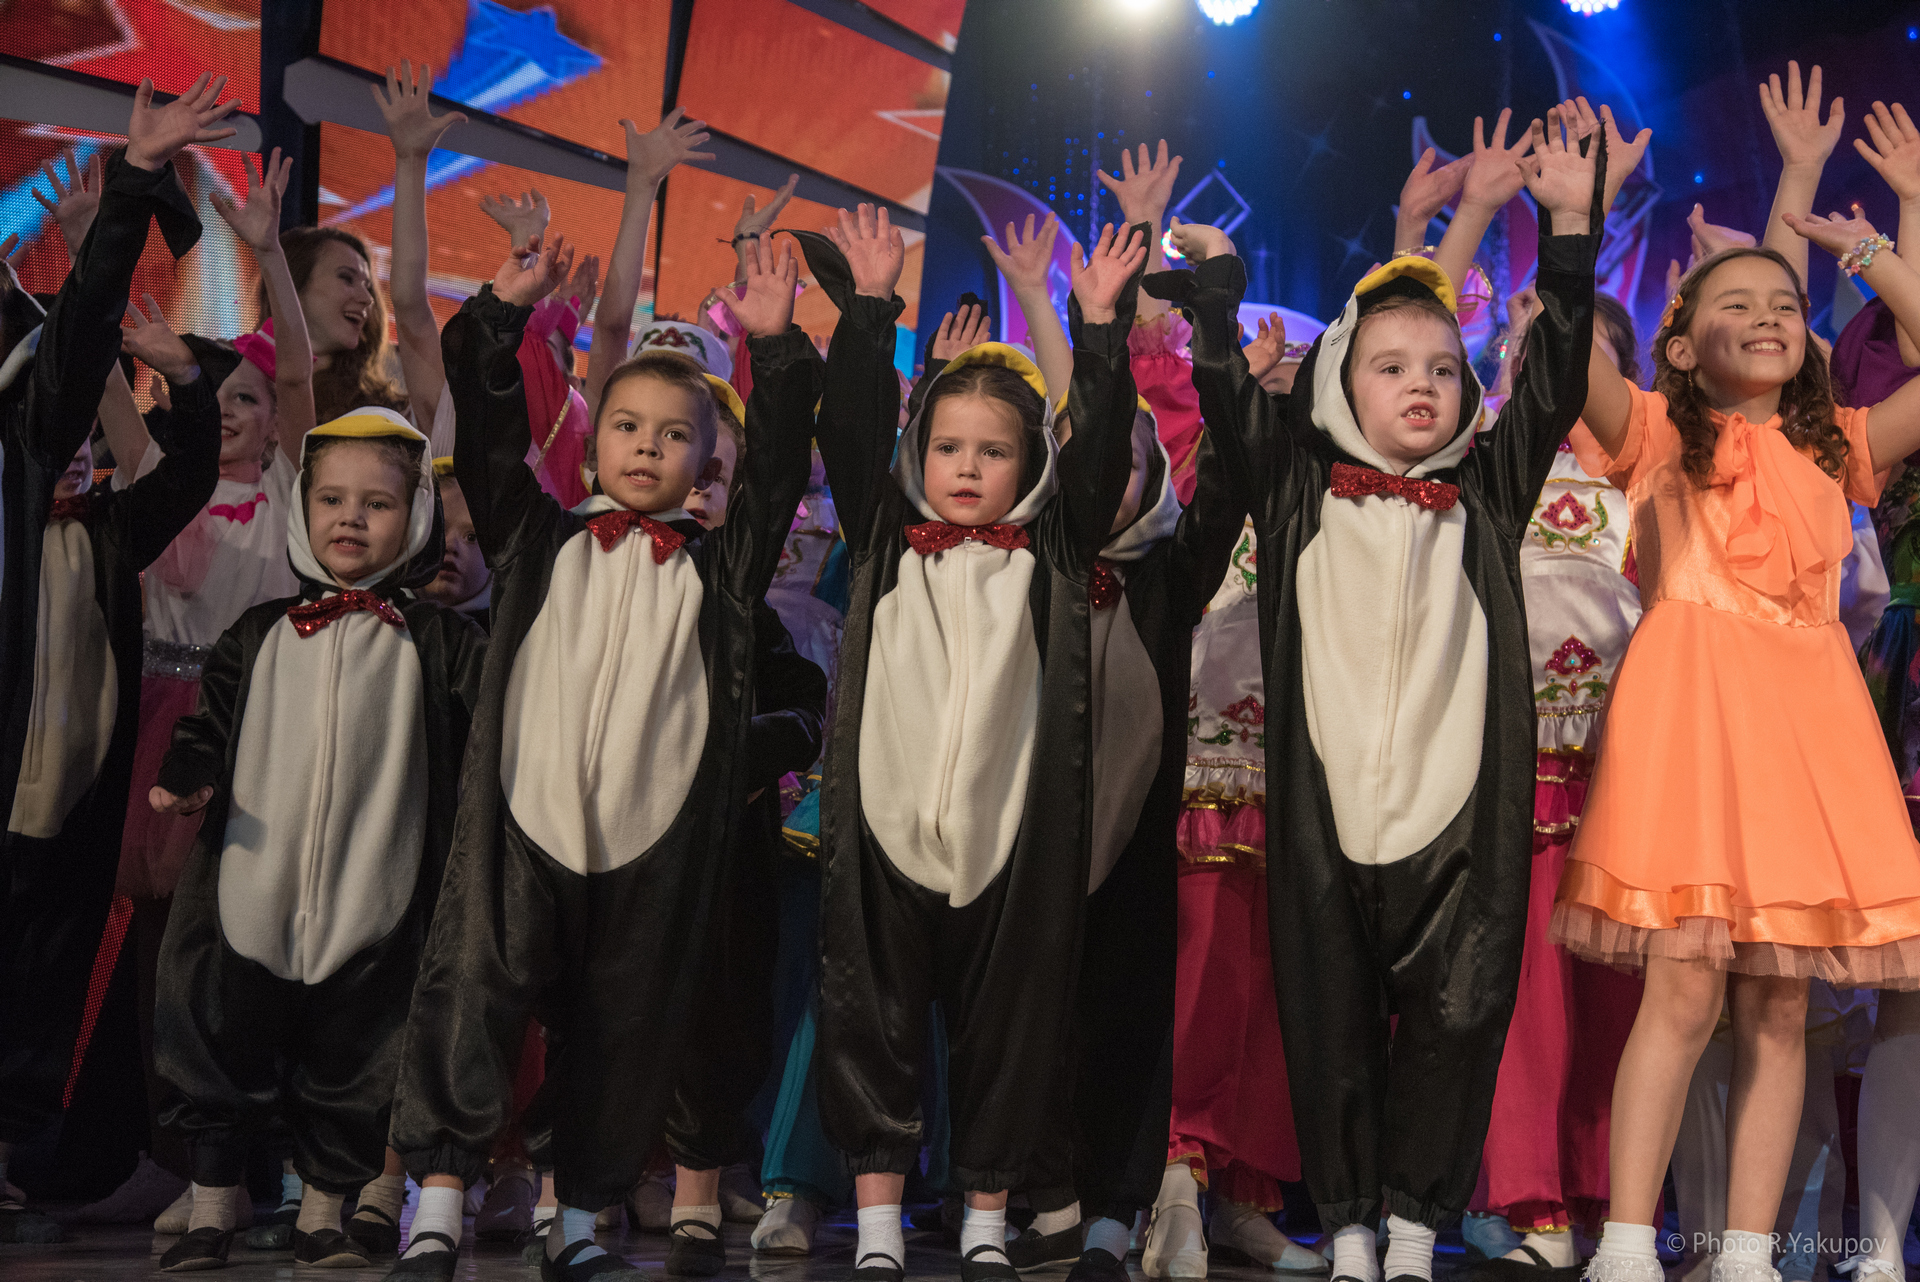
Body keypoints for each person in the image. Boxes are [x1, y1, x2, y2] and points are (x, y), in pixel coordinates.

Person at [1149, 100, 1613, 1282]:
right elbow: (1227, 394)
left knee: (1459, 1014)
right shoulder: (1296, 493)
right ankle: (1351, 1224)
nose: (1424, 386)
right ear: (1338, 384)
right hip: (1325, 816)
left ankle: (1413, 1225)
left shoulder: (1489, 492)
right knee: (1329, 1021)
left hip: (1460, 816)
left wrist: (1569, 235)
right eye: (1392, 366)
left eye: (1445, 370)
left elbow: (1553, 379)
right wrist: (1219, 288)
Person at [385, 215, 820, 1282]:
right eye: (626, 426)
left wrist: (775, 348)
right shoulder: (538, 539)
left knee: (623, 1026)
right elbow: (489, 431)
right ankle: (435, 1205)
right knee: (475, 995)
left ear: (705, 463)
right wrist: (501, 310)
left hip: (650, 836)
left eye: (674, 436)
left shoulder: (722, 574)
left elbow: (774, 479)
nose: (647, 448)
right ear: (591, 441)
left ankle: (579, 1217)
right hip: (523, 823)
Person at [1557, 116, 1920, 1282]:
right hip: (1695, 720)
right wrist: (1574, 221)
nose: (1768, 316)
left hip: (1811, 733)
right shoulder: (1656, 429)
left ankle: (1749, 1253)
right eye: (1736, 303)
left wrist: (1875, 246)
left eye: (1785, 304)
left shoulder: (1840, 445)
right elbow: (1565, 351)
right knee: (1681, 987)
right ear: (1681, 339)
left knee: (1778, 1004)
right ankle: (1628, 1240)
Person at [799, 201, 1146, 1282]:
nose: (965, 466)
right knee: (873, 1020)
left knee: (1008, 1027)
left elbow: (1101, 452)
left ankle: (988, 1219)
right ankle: (878, 1229)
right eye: (947, 446)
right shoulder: (883, 546)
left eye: (993, 452)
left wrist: (1099, 330)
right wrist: (870, 307)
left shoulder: (1053, 557)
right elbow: (851, 428)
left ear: (1029, 463)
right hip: (886, 826)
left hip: (1011, 837)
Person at [149, 407, 485, 1273]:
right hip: (250, 879)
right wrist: (189, 775)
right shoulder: (259, 630)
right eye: (331, 499)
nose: (350, 518)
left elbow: (492, 730)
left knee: (357, 1053)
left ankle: (325, 1212)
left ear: (414, 517)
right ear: (303, 508)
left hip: (377, 887)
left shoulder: (439, 640)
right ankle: (213, 1205)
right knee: (218, 1030)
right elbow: (208, 723)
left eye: (377, 504)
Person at [0, 71, 236, 1246]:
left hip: (68, 797)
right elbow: (68, 352)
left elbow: (183, 471)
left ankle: (12, 1151)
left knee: (41, 967)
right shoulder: (17, 488)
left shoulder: (97, 530)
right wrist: (134, 185)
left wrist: (185, 377)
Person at [1014, 386, 1247, 1282]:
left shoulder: (1169, 572)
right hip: (1034, 835)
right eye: (1087, 460)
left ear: (1155, 479)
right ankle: (1052, 1202)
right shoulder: (1027, 565)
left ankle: (1116, 1211)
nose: (1105, 478)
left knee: (1125, 1020)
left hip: (1137, 840)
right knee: (1034, 1024)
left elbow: (1224, 497)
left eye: (1127, 463)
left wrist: (1223, 371)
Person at [1470, 290, 1647, 1274]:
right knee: (1525, 989)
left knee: (1615, 996)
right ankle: (1529, 1195)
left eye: (1585, 351)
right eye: (1533, 346)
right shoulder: (1486, 460)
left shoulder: (1651, 474)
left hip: (1625, 764)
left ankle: (1608, 1195)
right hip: (1508, 757)